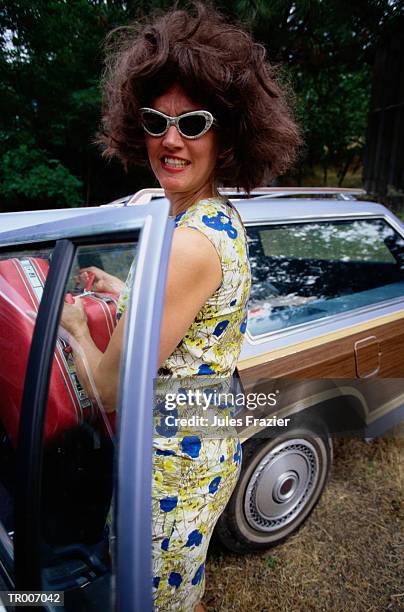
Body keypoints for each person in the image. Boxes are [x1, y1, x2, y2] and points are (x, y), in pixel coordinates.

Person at [61, 3, 301, 610]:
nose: (170, 140)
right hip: (201, 443)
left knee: (152, 596)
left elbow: (111, 387)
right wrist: (123, 294)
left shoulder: (189, 241)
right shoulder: (210, 217)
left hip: (166, 470)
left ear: (226, 135)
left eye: (192, 123)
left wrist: (69, 323)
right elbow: (198, 322)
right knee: (177, 585)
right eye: (154, 120)